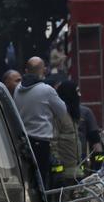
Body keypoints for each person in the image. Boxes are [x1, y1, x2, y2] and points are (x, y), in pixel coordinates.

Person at [14, 57, 69, 189]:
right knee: (41, 180)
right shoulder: (46, 90)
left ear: (26, 70)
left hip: (23, 141)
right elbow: (62, 111)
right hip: (41, 143)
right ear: (43, 70)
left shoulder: (17, 88)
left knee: (28, 179)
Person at [50, 81, 85, 188]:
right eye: (77, 92)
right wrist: (58, 168)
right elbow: (53, 142)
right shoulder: (59, 115)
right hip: (64, 174)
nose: (79, 95)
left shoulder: (72, 115)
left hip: (76, 172)